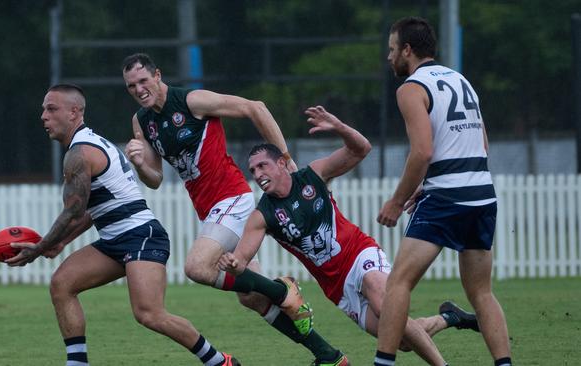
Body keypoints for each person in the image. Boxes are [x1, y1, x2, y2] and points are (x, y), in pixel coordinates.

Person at [121, 53, 348, 365]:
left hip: (232, 199)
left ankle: (283, 291)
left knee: (197, 267)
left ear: (158, 75)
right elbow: (156, 179)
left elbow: (256, 108)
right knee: (252, 297)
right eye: (131, 85)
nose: (138, 89)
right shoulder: (141, 122)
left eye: (143, 81)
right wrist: (139, 163)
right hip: (211, 209)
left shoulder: (192, 101)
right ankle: (329, 355)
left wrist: (286, 159)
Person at [218, 105, 479, 365]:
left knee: (383, 304)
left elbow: (361, 149)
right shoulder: (262, 214)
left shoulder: (313, 176)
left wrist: (340, 128)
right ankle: (451, 317)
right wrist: (233, 263)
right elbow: (240, 260)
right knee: (400, 338)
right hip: (337, 287)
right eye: (252, 170)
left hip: (358, 254)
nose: (258, 174)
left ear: (283, 164)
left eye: (263, 166)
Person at [6, 84, 240, 366]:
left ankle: (218, 361)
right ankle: (77, 363)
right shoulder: (90, 144)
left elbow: (74, 210)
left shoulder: (81, 152)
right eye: (44, 109)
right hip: (115, 241)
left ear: (74, 112)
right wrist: (61, 242)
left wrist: (40, 247)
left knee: (149, 314)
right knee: (62, 284)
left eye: (51, 108)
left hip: (142, 236)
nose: (43, 115)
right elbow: (95, 210)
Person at [374, 17, 512, 366]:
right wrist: (430, 183)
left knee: (398, 284)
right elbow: (480, 143)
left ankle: (383, 362)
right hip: (482, 195)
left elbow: (422, 152)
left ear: (407, 50)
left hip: (447, 200)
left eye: (392, 49)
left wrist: (397, 200)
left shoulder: (411, 88)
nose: (389, 57)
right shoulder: (460, 79)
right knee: (482, 292)